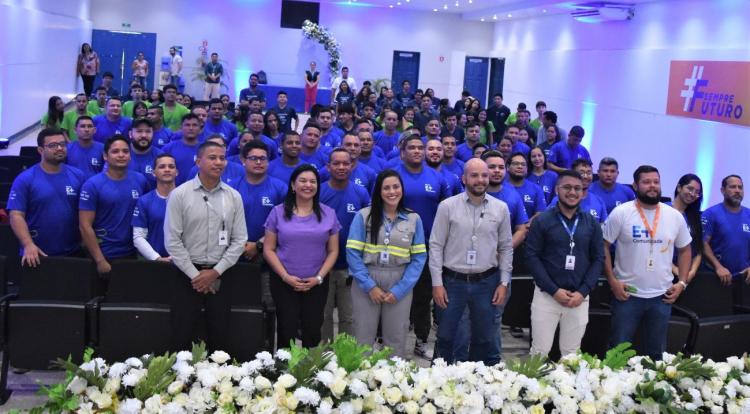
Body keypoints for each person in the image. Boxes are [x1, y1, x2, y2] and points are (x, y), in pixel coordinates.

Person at [164, 140, 247, 351]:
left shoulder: (233, 196)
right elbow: (172, 241)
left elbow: (240, 240)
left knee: (220, 335)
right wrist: (197, 277)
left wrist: (215, 273)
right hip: (186, 274)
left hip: (221, 273)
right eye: (212, 158)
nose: (218, 162)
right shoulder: (180, 195)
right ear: (198, 161)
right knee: (181, 334)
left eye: (222, 158)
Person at [430, 158, 514, 365]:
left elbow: (506, 247)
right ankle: (442, 377)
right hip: (452, 282)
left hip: (487, 282)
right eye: (474, 175)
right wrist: (437, 283)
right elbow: (436, 245)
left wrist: (504, 283)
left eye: (484, 175)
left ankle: (478, 379)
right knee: (447, 336)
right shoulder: (447, 206)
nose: (480, 180)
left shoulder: (501, 208)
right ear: (464, 178)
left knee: (484, 337)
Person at [604, 165, 692, 361]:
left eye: (656, 182)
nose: (652, 186)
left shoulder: (674, 216)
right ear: (635, 185)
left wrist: (682, 283)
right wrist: (612, 281)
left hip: (662, 297)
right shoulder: (621, 213)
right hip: (627, 295)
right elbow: (603, 246)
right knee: (617, 352)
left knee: (656, 354)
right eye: (646, 182)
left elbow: (685, 250)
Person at [347, 170, 426, 357]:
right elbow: (352, 253)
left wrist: (401, 289)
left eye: (396, 187)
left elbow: (419, 258)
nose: (392, 192)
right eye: (386, 188)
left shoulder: (413, 218)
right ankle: (362, 374)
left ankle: (393, 374)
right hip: (367, 278)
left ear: (402, 189)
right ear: (378, 191)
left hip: (400, 280)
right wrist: (369, 286)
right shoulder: (364, 216)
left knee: (396, 336)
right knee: (363, 335)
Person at [525, 170, 605, 357]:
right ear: (557, 190)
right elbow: (532, 257)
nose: (572, 192)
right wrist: (554, 290)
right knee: (539, 352)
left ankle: (567, 380)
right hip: (547, 296)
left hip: (579, 298)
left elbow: (598, 259)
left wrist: (583, 292)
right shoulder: (542, 220)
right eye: (567, 187)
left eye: (577, 188)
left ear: (583, 192)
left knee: (571, 354)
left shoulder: (591, 223)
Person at [263, 165, 341, 348]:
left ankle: (310, 366)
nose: (308, 185)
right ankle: (284, 366)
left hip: (316, 283)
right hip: (284, 282)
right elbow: (268, 249)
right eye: (303, 181)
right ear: (293, 185)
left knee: (313, 331)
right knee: (286, 330)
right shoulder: (278, 212)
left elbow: (333, 251)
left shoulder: (329, 213)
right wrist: (285, 277)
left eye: (313, 181)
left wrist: (319, 278)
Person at [392, 134, 450, 357]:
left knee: (423, 297)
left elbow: (446, 212)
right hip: (397, 246)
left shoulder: (437, 178)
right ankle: (389, 341)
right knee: (395, 294)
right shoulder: (393, 175)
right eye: (412, 147)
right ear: (403, 152)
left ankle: (421, 340)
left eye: (420, 147)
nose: (417, 151)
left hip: (426, 247)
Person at [8, 128, 86, 266]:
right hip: (36, 254)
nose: (59, 148)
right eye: (53, 145)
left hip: (73, 251)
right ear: (40, 150)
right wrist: (28, 244)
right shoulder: (25, 179)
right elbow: (16, 215)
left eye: (62, 144)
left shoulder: (78, 175)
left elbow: (86, 212)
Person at [320, 149, 371, 341]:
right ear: (328, 167)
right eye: (336, 163)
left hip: (351, 267)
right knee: (323, 316)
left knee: (349, 317)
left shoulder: (361, 192)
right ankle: (325, 355)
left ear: (352, 166)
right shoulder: (319, 191)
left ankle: (345, 356)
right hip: (322, 265)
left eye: (345, 163)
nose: (341, 167)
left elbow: (369, 226)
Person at [79, 135, 149, 274]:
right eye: (115, 151)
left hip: (133, 253)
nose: (121, 155)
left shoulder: (140, 180)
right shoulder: (92, 185)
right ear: (105, 156)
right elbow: (84, 226)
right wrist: (100, 260)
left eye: (125, 151)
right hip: (105, 255)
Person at [232, 141, 287, 307]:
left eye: (263, 158)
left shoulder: (280, 188)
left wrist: (259, 245)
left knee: (267, 307)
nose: (258, 162)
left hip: (269, 258)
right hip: (234, 256)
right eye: (253, 158)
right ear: (243, 160)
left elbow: (285, 223)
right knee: (237, 305)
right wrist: (241, 245)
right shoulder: (231, 187)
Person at [702, 175, 750, 287]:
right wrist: (718, 267)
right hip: (718, 278)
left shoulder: (749, 214)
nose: (737, 190)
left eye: (740, 187)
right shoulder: (710, 214)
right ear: (722, 190)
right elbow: (703, 243)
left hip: (745, 278)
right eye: (733, 187)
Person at [132, 154, 177, 261]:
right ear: (153, 173)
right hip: (154, 263)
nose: (167, 169)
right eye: (162, 167)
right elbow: (138, 237)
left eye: (171, 166)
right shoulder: (144, 201)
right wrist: (156, 258)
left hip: (184, 262)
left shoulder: (188, 198)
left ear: (177, 172)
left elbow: (195, 234)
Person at [669, 174, 704, 281]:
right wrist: (675, 270)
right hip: (663, 272)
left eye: (697, 192)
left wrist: (692, 272)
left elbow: (698, 249)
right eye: (690, 188)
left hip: (687, 276)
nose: (693, 194)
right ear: (679, 188)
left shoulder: (695, 217)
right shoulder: (663, 210)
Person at [507, 152, 546, 220]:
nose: (520, 166)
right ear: (507, 167)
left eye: (523, 164)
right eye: (516, 164)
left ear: (527, 168)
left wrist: (527, 225)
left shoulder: (536, 189)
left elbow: (540, 212)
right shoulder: (500, 187)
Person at [128, 117, 162, 189]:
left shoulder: (160, 157)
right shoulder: (120, 154)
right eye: (139, 131)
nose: (144, 135)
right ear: (130, 134)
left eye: (148, 131)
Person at [66, 116, 104, 180]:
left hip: (96, 185)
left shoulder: (103, 148)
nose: (86, 129)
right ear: (75, 130)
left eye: (89, 126)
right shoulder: (67, 149)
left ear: (94, 130)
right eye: (82, 126)